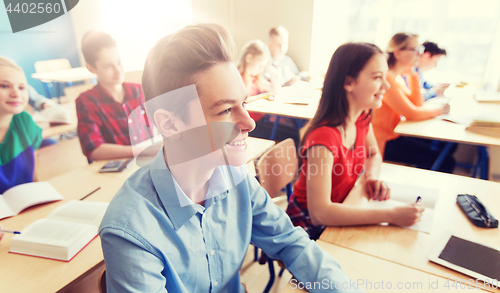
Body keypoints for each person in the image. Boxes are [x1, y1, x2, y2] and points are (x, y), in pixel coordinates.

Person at [99, 23, 362, 293]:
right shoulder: (130, 230)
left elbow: (291, 243)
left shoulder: (237, 180)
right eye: (226, 110)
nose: (249, 122)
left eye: (243, 104)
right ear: (169, 124)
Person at [285, 43, 424, 240]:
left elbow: (373, 154)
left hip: (345, 204)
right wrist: (391, 215)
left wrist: (372, 177)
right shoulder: (323, 139)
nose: (386, 85)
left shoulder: (361, 117)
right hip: (308, 225)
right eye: (377, 77)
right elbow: (320, 213)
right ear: (349, 83)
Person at [371, 33, 454, 173]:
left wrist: (413, 74)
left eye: (420, 50)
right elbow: (412, 113)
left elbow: (417, 104)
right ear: (398, 53)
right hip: (383, 142)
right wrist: (441, 111)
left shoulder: (397, 77)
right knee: (447, 161)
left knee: (446, 146)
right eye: (416, 50)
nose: (419, 55)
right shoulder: (387, 79)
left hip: (395, 134)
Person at [75, 31, 151, 161]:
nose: (118, 70)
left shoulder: (138, 91)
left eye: (119, 62)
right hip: (118, 170)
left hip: (146, 162)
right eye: (108, 66)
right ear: (91, 68)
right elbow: (94, 150)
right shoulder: (86, 101)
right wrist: (144, 150)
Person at [0, 57, 42, 194]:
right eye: (4, 86)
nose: (16, 93)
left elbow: (35, 179)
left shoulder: (25, 121)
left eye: (22, 87)